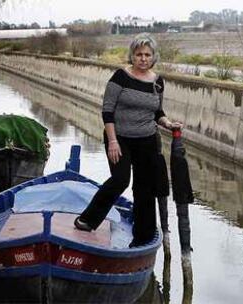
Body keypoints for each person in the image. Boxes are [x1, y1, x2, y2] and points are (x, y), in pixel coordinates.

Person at [74, 33, 182, 247]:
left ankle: (142, 236)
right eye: (139, 54)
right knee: (121, 179)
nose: (143, 58)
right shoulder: (120, 77)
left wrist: (168, 123)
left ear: (153, 57)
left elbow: (157, 111)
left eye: (147, 55)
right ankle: (87, 220)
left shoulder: (157, 82)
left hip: (147, 140)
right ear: (132, 55)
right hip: (119, 138)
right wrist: (112, 141)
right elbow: (107, 111)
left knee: (145, 187)